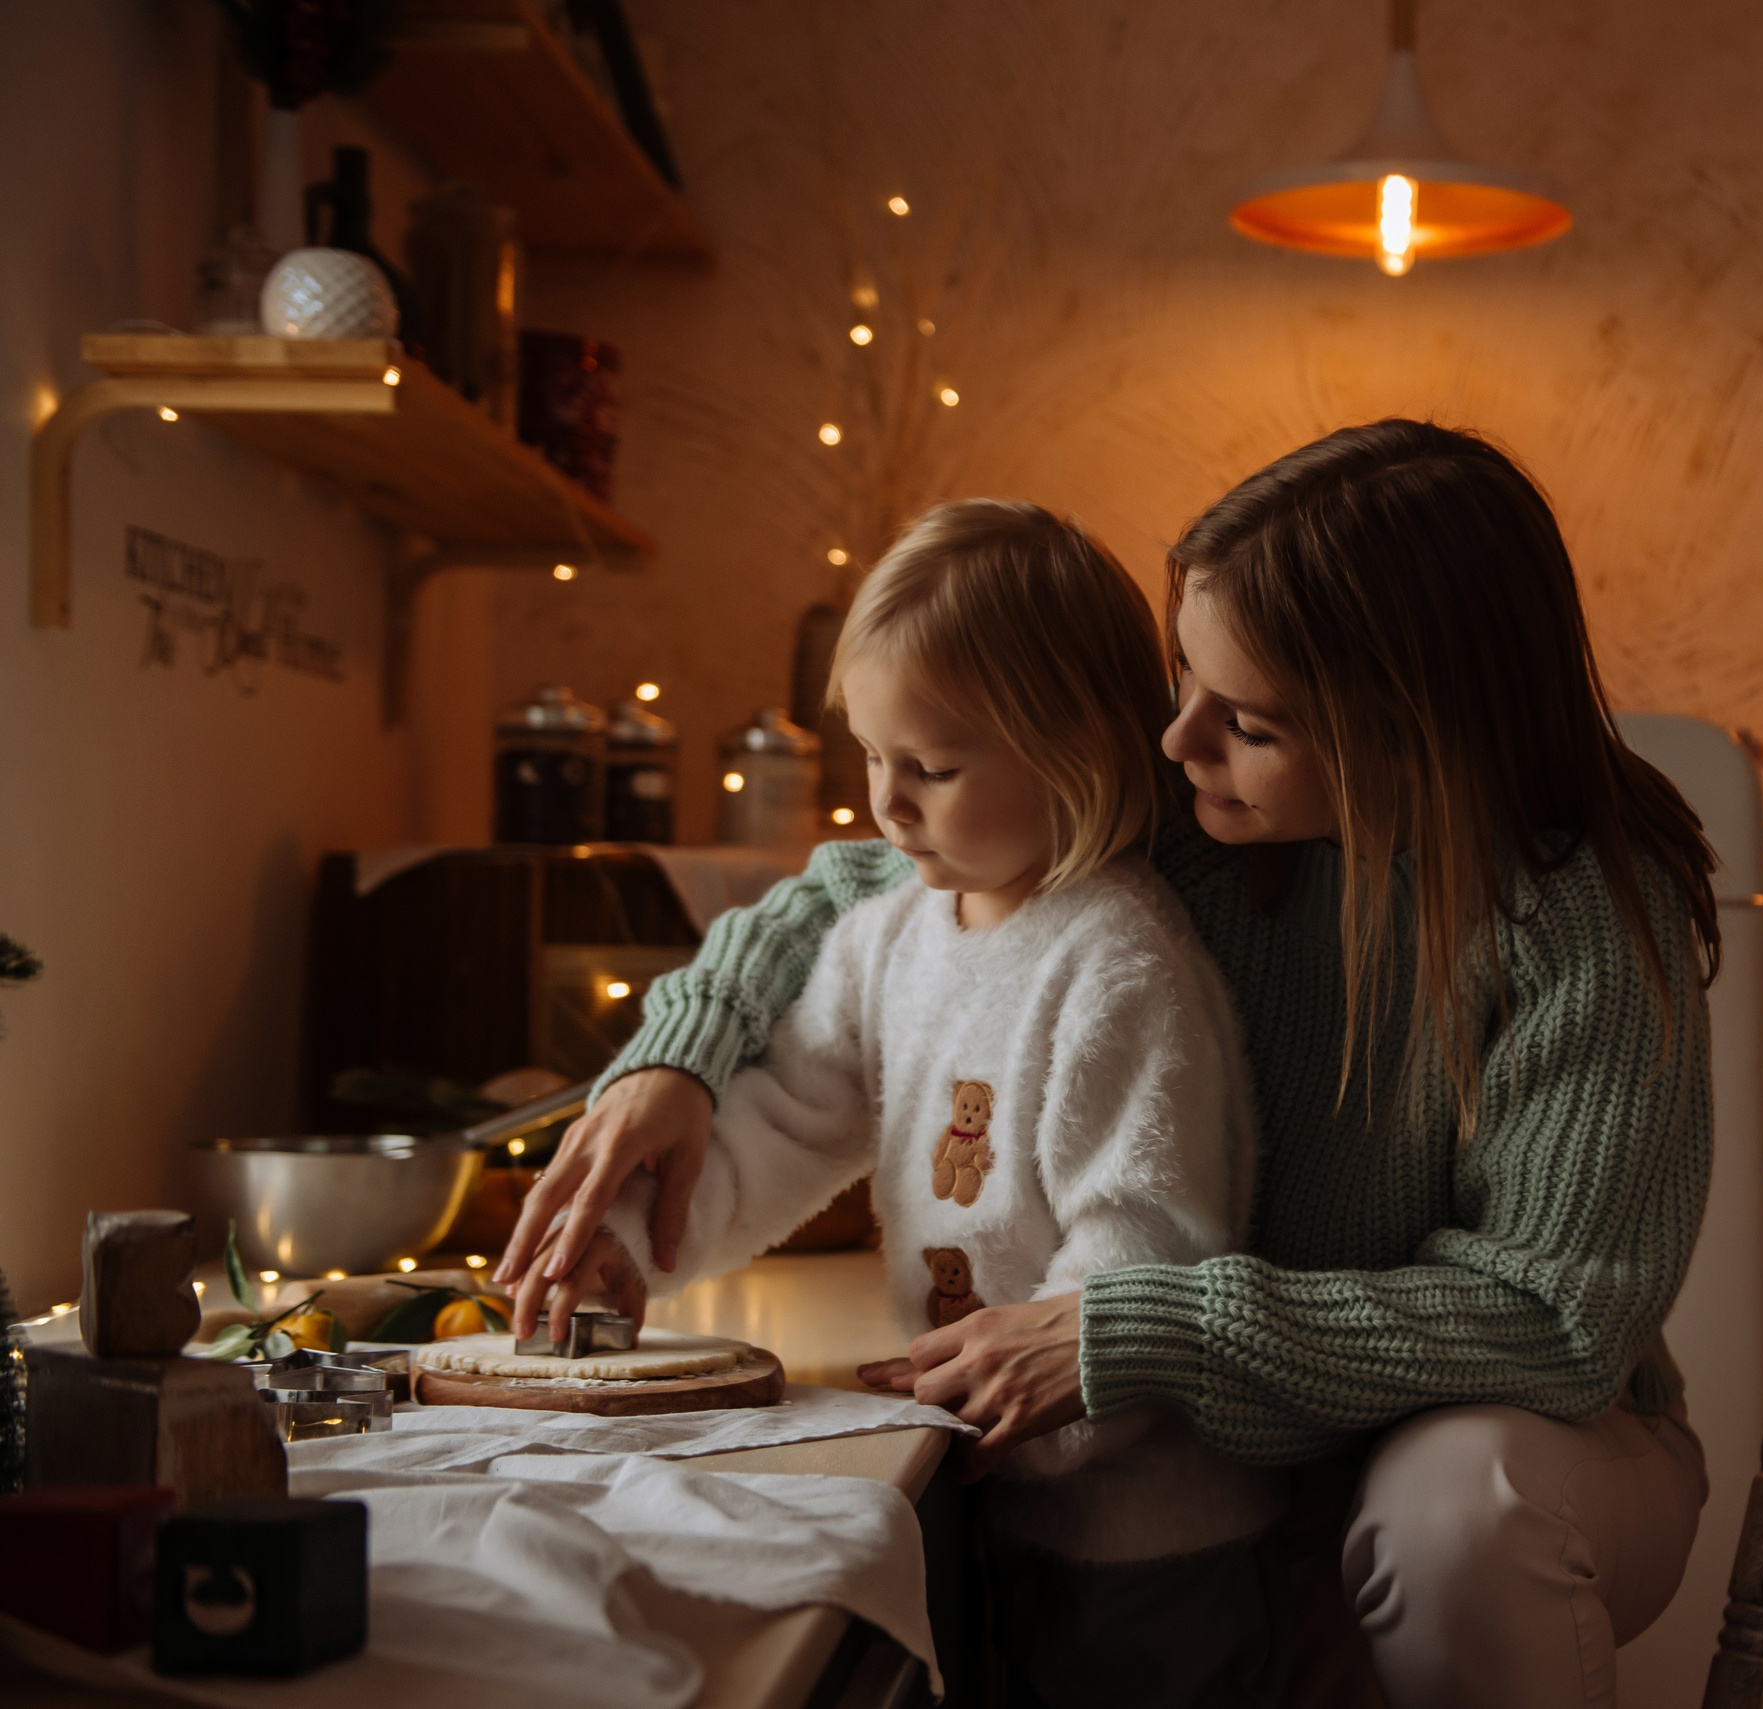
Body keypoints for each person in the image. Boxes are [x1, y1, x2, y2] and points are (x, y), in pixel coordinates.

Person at [501, 421, 1722, 1709]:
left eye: (1243, 718)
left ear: (1405, 732)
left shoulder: (1582, 913)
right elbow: (870, 885)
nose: (1178, 738)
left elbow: (1553, 1318)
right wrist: (678, 1058)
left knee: (1453, 1505)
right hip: (1246, 1462)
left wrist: (1144, 1326)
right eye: (1182, 678)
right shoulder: (1204, 814)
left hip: (1548, 1441)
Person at [508, 501, 1282, 1706]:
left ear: (1076, 749)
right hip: (965, 1471)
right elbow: (781, 1120)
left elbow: (1146, 1234)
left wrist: (1021, 1414)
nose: (886, 803)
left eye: (931, 766)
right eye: (870, 756)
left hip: (1145, 1531)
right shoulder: (889, 937)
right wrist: (631, 1248)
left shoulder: (1120, 959)